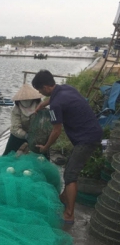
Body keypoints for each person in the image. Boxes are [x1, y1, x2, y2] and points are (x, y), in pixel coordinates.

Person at [32, 70, 103, 224]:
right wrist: (41, 105)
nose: (41, 93)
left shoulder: (55, 106)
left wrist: (45, 147)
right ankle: (64, 197)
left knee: (70, 175)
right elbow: (51, 99)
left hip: (86, 139)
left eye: (40, 90)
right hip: (92, 132)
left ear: (45, 87)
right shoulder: (66, 89)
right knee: (71, 165)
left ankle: (69, 214)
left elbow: (56, 131)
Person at [3, 83, 43, 155]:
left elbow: (45, 122)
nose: (26, 102)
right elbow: (15, 128)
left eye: (29, 100)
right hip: (18, 134)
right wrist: (26, 135)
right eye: (24, 100)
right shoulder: (16, 110)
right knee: (7, 154)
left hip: (36, 134)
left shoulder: (40, 106)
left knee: (41, 154)